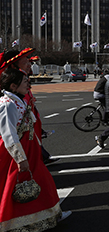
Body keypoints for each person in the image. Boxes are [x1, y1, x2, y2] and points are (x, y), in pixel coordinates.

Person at [0, 67, 71, 231]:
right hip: (15, 152)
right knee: (13, 186)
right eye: (25, 82)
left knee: (41, 182)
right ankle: (15, 222)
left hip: (29, 150)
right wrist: (20, 158)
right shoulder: (6, 105)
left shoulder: (18, 100)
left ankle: (51, 214)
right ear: (13, 86)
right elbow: (9, 134)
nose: (28, 84)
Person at [1, 48, 58, 165]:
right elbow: (9, 132)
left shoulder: (18, 91)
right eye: (25, 62)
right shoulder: (8, 102)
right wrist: (20, 158)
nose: (29, 65)